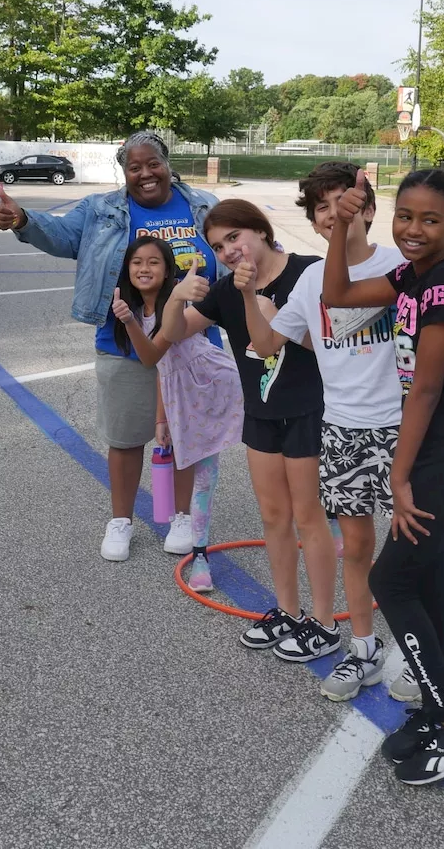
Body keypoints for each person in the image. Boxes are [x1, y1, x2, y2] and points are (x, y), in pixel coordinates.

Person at [321, 168, 444, 785]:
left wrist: (399, 482)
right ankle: (434, 709)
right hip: (440, 456)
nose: (414, 229)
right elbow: (338, 297)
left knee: (391, 580)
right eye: (405, 216)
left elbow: (425, 390)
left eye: (431, 219)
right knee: (426, 581)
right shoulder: (411, 274)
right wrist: (342, 226)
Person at [0, 130, 222, 561]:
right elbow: (61, 236)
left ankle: (181, 516)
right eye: (134, 167)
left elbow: (234, 252)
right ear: (124, 172)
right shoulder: (101, 210)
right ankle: (121, 521)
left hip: (192, 342)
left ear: (167, 163)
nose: (145, 173)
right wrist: (22, 219)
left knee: (185, 435)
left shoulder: (204, 206)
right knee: (125, 437)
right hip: (124, 341)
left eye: (152, 163)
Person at [239, 162, 403, 699]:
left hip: (404, 429)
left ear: (371, 209)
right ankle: (363, 649)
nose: (335, 213)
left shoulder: (402, 266)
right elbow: (268, 346)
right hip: (343, 431)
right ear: (312, 223)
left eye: (345, 201)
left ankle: (427, 646)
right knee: (355, 544)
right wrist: (247, 297)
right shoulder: (311, 281)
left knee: (415, 548)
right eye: (322, 208)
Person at [162, 199, 341, 662]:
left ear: (260, 231)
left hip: (309, 411)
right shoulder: (224, 290)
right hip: (260, 415)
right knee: (274, 517)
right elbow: (173, 334)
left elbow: (335, 343)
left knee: (308, 517)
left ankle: (324, 622)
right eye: (218, 246)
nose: (228, 251)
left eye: (234, 238)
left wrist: (269, 313)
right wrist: (176, 298)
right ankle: (289, 611)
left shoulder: (309, 272)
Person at [109, 236, 243, 590]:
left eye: (153, 262)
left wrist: (130, 323)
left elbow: (151, 355)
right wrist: (161, 418)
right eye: (137, 262)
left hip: (209, 384)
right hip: (181, 390)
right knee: (192, 463)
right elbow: (160, 368)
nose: (144, 268)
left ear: (168, 270)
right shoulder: (139, 310)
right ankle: (191, 534)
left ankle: (199, 553)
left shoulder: (174, 303)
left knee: (204, 471)